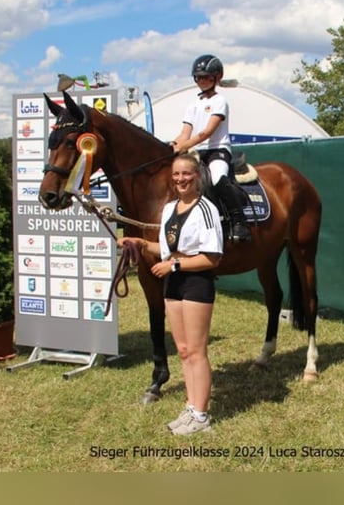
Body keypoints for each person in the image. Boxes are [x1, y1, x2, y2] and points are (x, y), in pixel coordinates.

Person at [118, 153, 224, 435]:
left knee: (198, 351)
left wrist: (175, 264)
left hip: (195, 282)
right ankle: (191, 407)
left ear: (197, 176)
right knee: (184, 350)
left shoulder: (206, 209)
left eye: (187, 174)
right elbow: (162, 250)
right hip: (173, 283)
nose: (181, 179)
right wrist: (140, 243)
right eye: (176, 174)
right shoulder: (169, 210)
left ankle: (201, 417)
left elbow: (212, 259)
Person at [169, 54, 251, 242]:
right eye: (198, 77)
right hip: (197, 152)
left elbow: (207, 132)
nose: (202, 81)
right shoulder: (193, 104)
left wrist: (184, 146)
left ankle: (239, 221)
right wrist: (172, 145)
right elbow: (184, 133)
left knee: (216, 179)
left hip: (217, 150)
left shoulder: (219, 101)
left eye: (206, 77)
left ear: (217, 77)